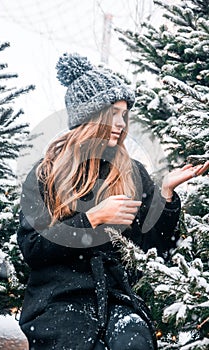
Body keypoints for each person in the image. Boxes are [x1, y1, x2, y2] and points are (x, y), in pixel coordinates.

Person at [17, 53, 209, 350]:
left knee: (133, 341)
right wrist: (92, 218)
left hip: (118, 297)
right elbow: (32, 247)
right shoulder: (46, 173)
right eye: (113, 113)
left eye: (124, 114)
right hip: (58, 301)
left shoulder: (132, 173)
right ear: (89, 117)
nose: (121, 123)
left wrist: (167, 196)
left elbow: (155, 251)